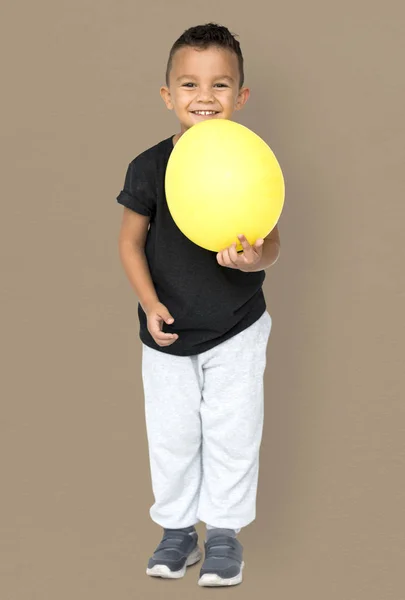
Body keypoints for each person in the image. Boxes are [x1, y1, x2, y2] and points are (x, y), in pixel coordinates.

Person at [116, 22, 281, 588]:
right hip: (167, 331)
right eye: (189, 84)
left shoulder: (250, 162)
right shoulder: (147, 166)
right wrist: (149, 303)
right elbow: (129, 242)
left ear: (241, 96)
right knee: (173, 434)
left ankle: (226, 534)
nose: (204, 98)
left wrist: (253, 261)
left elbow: (271, 241)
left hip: (236, 329)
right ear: (168, 95)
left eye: (220, 85)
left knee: (234, 432)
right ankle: (178, 530)